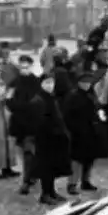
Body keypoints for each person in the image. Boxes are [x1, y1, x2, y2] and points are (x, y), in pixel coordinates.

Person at [30, 73, 72, 205]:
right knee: (45, 168)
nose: (50, 85)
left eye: (52, 82)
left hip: (54, 139)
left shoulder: (50, 98)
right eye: (47, 82)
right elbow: (39, 122)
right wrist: (54, 131)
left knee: (53, 167)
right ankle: (45, 194)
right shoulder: (38, 100)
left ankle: (52, 191)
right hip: (45, 140)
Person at [6, 55, 41, 195]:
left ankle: (26, 180)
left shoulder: (36, 82)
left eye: (26, 67)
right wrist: (15, 106)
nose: (24, 69)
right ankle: (32, 174)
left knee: (28, 151)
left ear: (31, 66)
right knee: (24, 151)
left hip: (33, 122)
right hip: (19, 122)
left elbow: (40, 101)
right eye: (22, 67)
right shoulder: (14, 82)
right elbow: (8, 100)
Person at [63, 70, 101, 194]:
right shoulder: (73, 96)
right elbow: (67, 115)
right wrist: (73, 129)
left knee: (89, 158)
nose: (87, 84)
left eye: (89, 82)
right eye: (84, 82)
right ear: (79, 83)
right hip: (78, 132)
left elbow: (96, 109)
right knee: (77, 159)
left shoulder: (91, 95)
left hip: (91, 131)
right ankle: (72, 183)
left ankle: (86, 181)